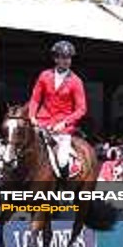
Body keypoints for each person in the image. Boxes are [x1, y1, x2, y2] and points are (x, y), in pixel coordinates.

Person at [28, 40, 87, 178]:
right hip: (42, 122)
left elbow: (81, 109)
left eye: (68, 57)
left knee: (62, 160)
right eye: (63, 57)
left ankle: (64, 190)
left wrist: (64, 123)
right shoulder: (44, 76)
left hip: (63, 127)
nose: (66, 60)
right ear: (56, 58)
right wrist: (32, 116)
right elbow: (35, 98)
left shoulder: (76, 81)